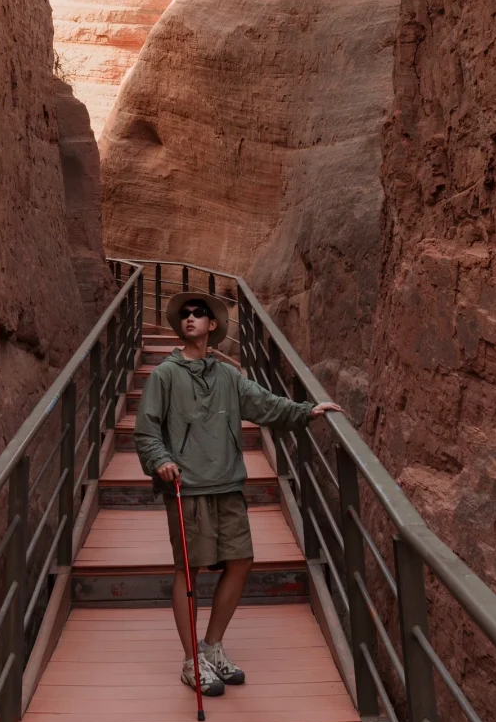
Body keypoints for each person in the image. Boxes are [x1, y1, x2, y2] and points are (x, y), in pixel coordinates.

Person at [134, 290, 342, 696]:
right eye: (185, 315)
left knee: (242, 560)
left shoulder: (228, 375)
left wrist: (307, 411)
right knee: (188, 571)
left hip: (227, 482)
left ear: (213, 326)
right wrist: (160, 460)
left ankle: (212, 647)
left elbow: (264, 405)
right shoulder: (164, 375)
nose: (190, 318)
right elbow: (146, 429)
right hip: (187, 486)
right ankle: (191, 661)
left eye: (199, 314)